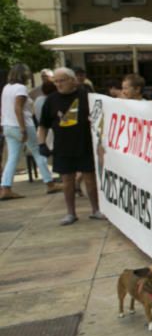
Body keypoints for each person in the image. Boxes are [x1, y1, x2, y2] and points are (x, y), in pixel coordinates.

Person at [38, 68, 104, 224]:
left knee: (90, 179)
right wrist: (41, 143)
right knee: (67, 181)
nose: (59, 84)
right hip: (62, 147)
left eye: (62, 80)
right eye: (56, 81)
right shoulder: (51, 100)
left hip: (85, 144)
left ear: (73, 80)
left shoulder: (87, 96)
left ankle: (96, 209)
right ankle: (71, 213)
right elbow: (43, 125)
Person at [2, 64, 60, 199]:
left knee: (12, 157)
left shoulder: (7, 87)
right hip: (22, 126)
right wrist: (23, 129)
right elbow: (18, 108)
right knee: (38, 152)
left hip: (8, 126)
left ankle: (6, 188)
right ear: (23, 75)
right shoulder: (20, 88)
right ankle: (50, 183)